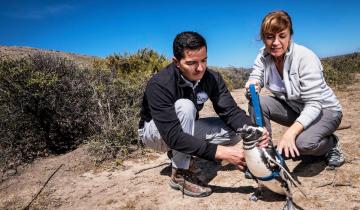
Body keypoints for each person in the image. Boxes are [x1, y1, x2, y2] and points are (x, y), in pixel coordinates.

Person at [138, 31, 270, 197]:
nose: (200, 68)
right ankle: (181, 173)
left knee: (235, 132)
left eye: (204, 60)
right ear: (176, 62)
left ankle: (180, 152)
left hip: (182, 129)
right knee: (185, 106)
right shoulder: (160, 84)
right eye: (192, 63)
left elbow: (230, 111)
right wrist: (224, 153)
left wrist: (254, 130)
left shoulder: (211, 78)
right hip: (155, 134)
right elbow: (173, 136)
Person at [245, 10, 345, 168]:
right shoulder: (263, 57)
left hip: (324, 110)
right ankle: (268, 156)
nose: (276, 42)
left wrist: (290, 133)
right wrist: (253, 84)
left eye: (282, 36)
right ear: (263, 38)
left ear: (290, 35)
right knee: (256, 102)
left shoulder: (305, 57)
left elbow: (314, 104)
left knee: (302, 143)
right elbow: (256, 75)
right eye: (270, 37)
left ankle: (331, 143)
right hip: (296, 108)